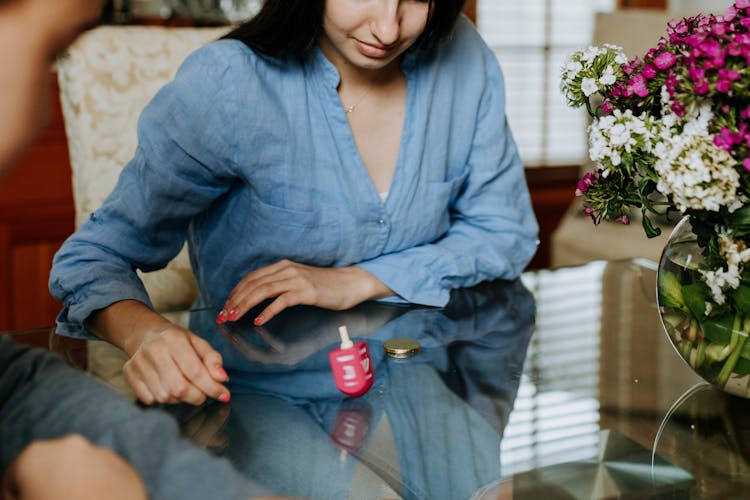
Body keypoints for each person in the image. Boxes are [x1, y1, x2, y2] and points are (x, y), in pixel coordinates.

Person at [49, 0, 539, 406]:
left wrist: (358, 281)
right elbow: (93, 257)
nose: (388, 28)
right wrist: (146, 335)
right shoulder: (230, 82)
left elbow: (504, 233)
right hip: (261, 395)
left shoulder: (463, 57)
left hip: (429, 380)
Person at [0, 1, 294, 499]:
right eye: (50, 48)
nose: (45, 112)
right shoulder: (229, 81)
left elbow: (19, 388)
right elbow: (92, 256)